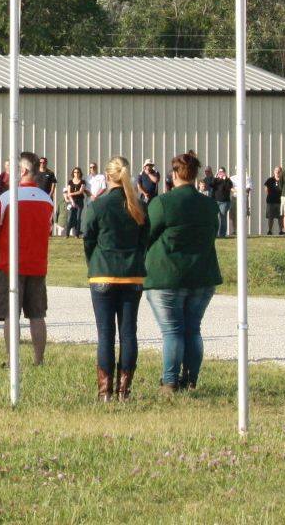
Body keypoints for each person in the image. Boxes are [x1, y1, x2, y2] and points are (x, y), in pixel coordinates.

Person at [144, 150, 223, 393]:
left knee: (172, 331)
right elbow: (213, 233)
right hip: (201, 274)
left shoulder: (162, 203)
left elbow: (148, 234)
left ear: (175, 173)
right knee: (193, 329)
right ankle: (190, 379)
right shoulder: (209, 205)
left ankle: (169, 381)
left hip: (167, 275)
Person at [83, 155, 148, 401]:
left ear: (107, 177)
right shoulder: (138, 205)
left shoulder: (98, 206)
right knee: (129, 333)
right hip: (132, 276)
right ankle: (124, 390)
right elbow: (145, 240)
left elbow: (88, 239)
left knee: (105, 334)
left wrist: (94, 263)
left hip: (102, 273)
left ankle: (104, 392)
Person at [0, 150, 54, 367]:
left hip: (10, 264)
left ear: (23, 170)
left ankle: (11, 361)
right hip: (37, 264)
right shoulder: (47, 200)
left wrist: (4, 246)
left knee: (11, 315)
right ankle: (39, 360)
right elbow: (47, 230)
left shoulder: (7, 198)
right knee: (37, 314)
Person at [261, 169, 282, 237]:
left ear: (280, 172)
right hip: (271, 201)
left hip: (280, 201)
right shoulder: (270, 179)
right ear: (274, 172)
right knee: (270, 217)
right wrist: (269, 194)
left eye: (279, 171)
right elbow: (266, 187)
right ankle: (270, 230)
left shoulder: (282, 180)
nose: (277, 172)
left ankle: (281, 230)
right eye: (276, 171)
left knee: (280, 217)